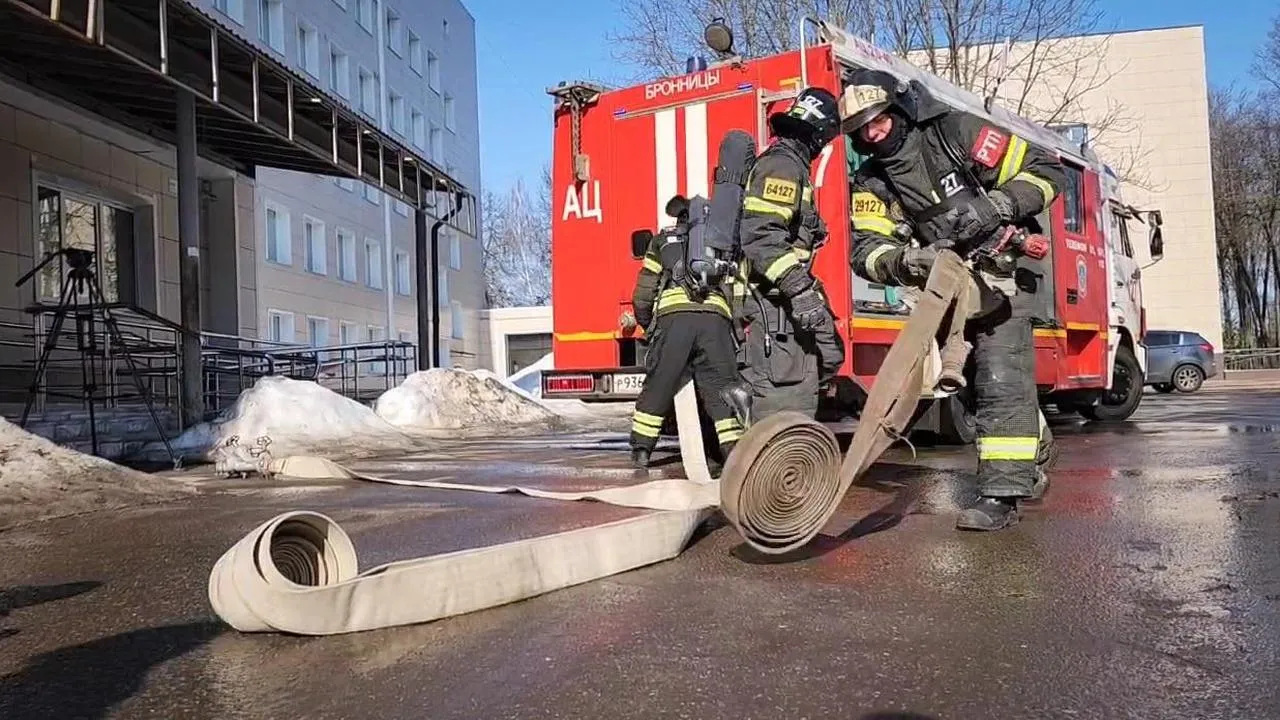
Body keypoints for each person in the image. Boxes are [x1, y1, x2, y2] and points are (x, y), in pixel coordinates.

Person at [839, 67, 1065, 531]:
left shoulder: (953, 132)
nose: (872, 132)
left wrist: (996, 206)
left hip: (1005, 272)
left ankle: (1002, 494)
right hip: (949, 285)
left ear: (898, 106)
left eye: (877, 118)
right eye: (860, 128)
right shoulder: (871, 183)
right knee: (986, 385)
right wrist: (909, 262)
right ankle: (1033, 445)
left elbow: (1045, 171)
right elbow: (866, 252)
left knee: (1000, 373)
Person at [735, 87, 847, 420]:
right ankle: (780, 469)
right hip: (773, 309)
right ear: (820, 133)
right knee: (785, 408)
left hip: (781, 305)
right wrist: (800, 290)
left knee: (829, 356)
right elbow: (761, 237)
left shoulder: (789, 163)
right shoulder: (783, 166)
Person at [627, 213, 746, 470]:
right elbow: (738, 289)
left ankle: (641, 452)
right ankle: (733, 454)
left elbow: (645, 289)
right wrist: (735, 327)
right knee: (723, 388)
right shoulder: (722, 241)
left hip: (674, 322)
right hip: (715, 320)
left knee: (659, 385)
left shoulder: (661, 241)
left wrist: (647, 324)